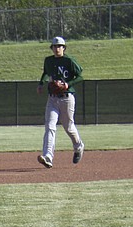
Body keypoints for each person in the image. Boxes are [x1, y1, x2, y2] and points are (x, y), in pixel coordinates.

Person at [36, 36, 85, 169]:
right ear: (52, 48)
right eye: (55, 46)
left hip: (67, 97)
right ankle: (48, 156)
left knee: (68, 127)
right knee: (50, 126)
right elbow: (46, 73)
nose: (57, 48)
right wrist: (41, 83)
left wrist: (68, 84)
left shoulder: (69, 61)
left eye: (59, 46)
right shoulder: (48, 61)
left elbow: (80, 76)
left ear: (64, 48)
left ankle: (78, 146)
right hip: (52, 98)